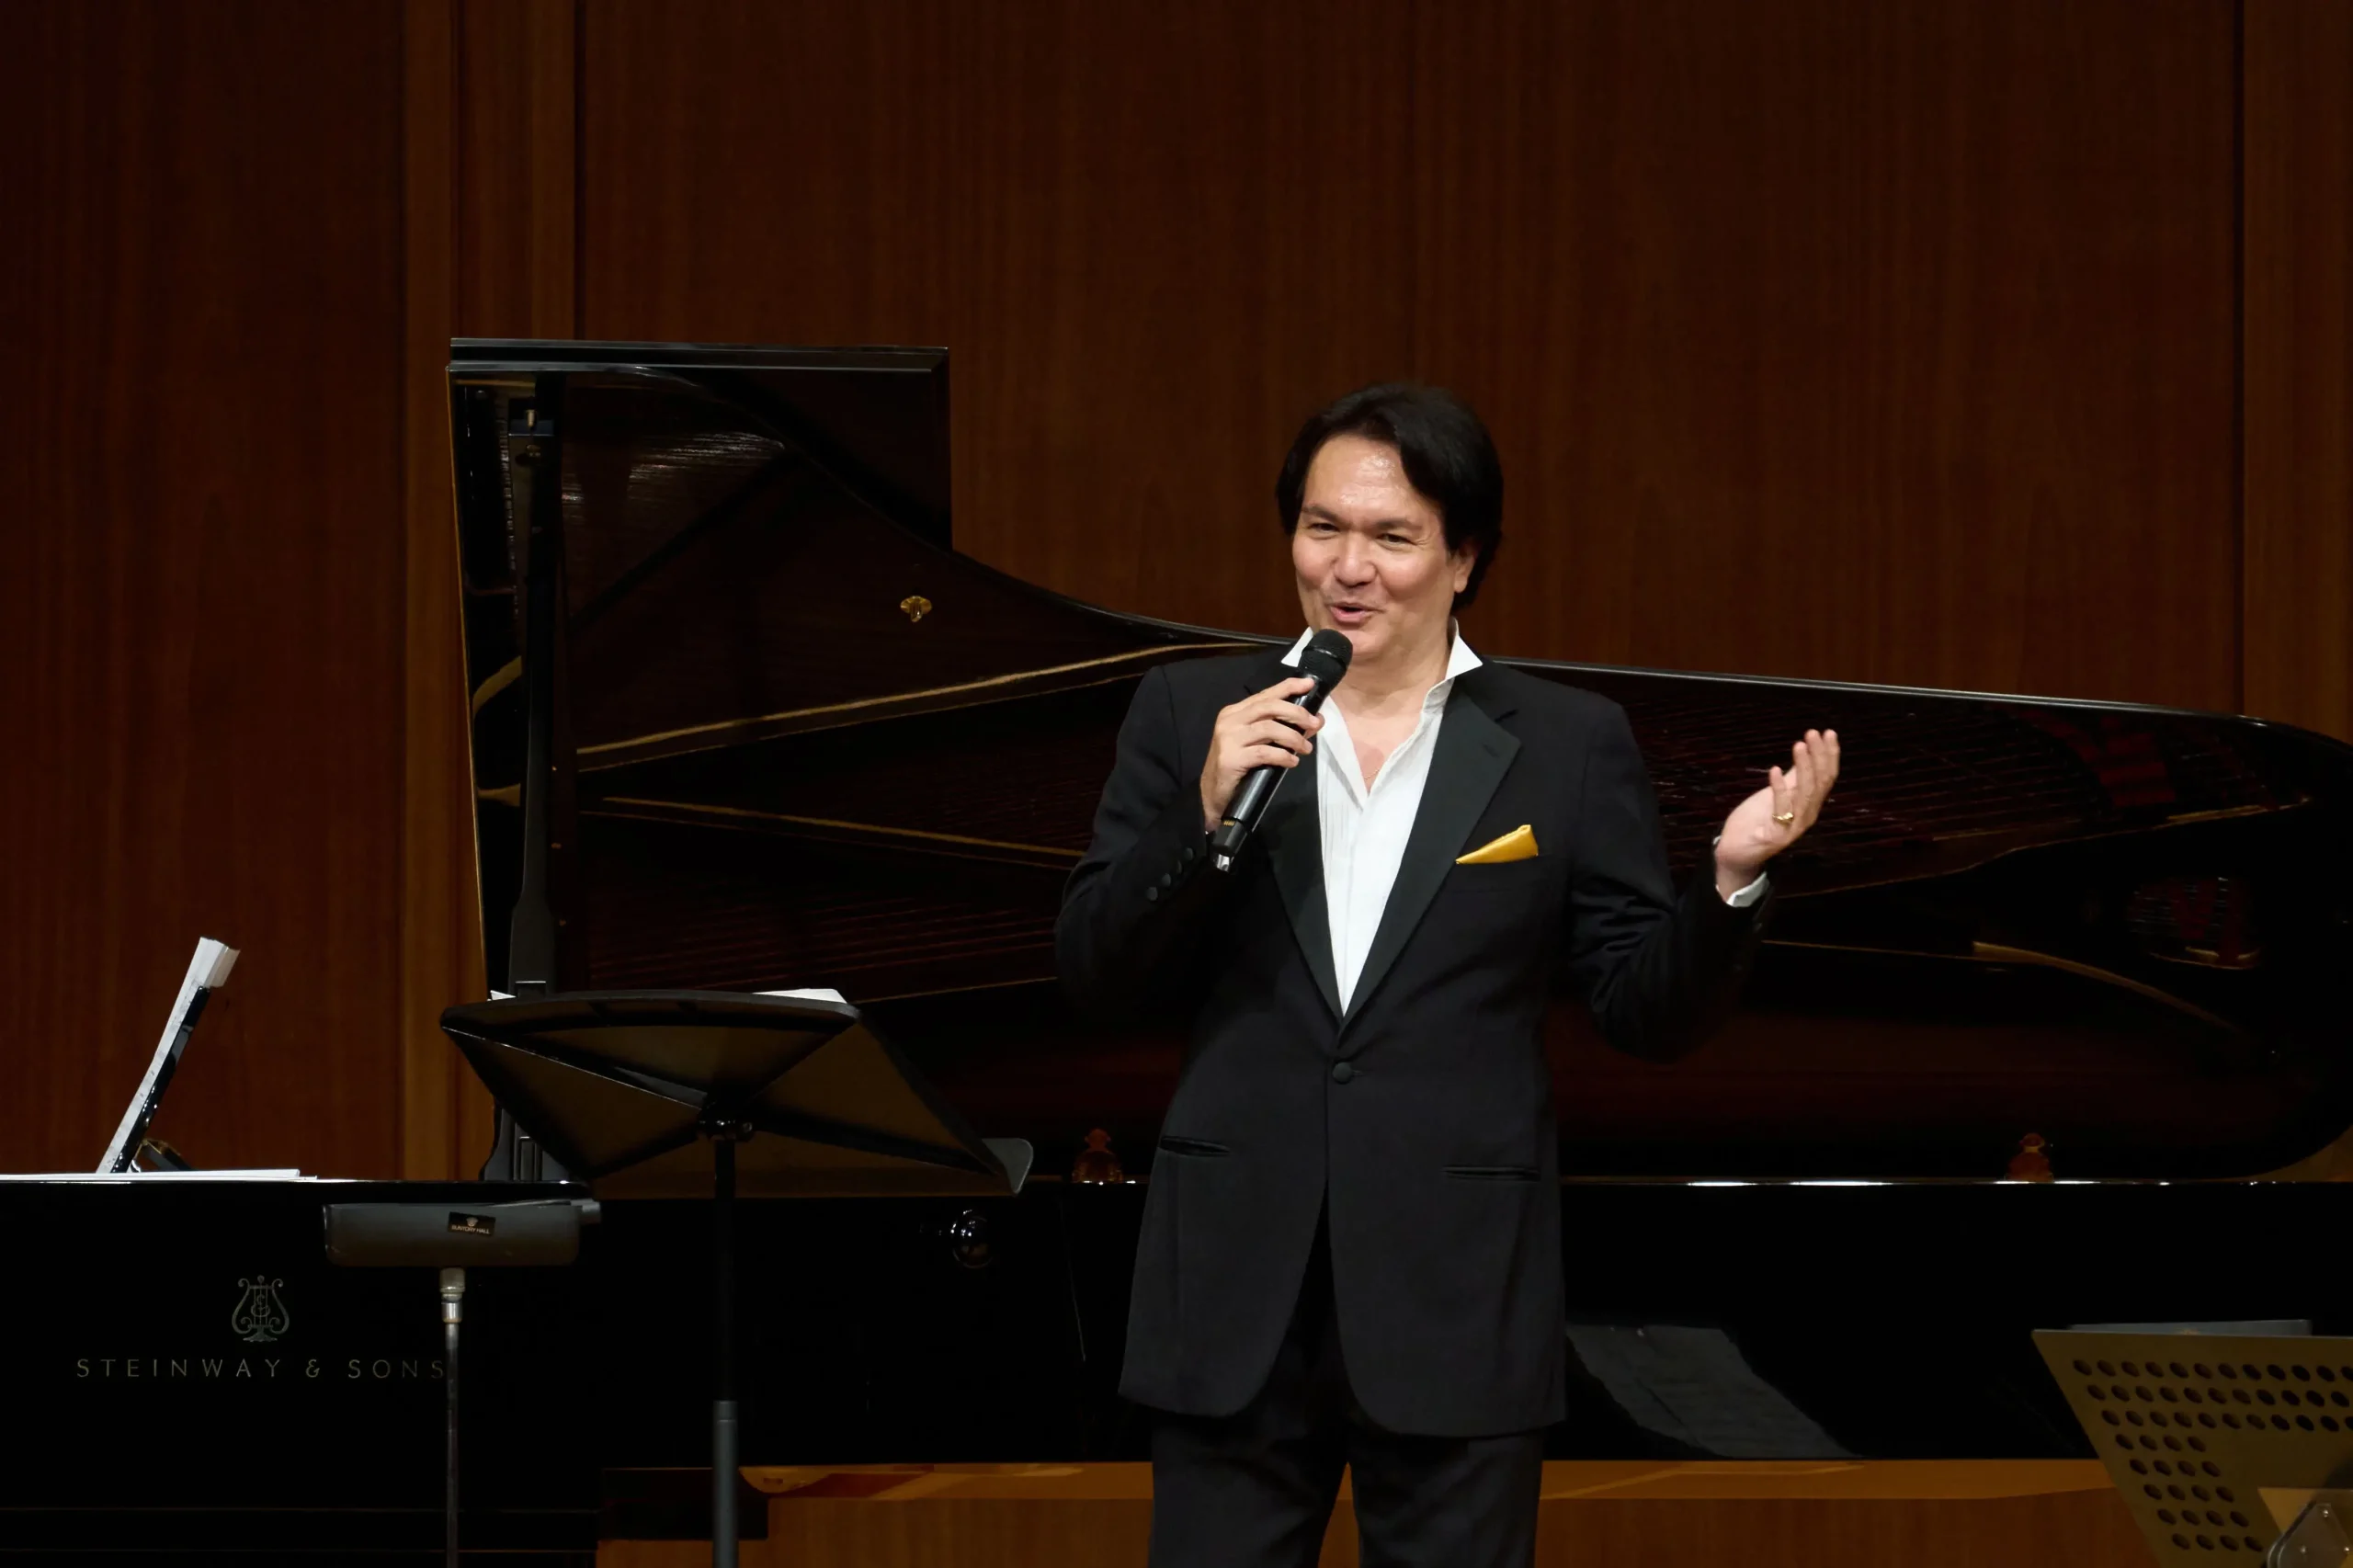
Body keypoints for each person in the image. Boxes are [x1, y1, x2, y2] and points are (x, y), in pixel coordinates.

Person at [1055, 383, 1839, 1568]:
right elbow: (1094, 975)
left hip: (1458, 1292)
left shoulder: (1566, 743)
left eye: (1392, 536)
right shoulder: (1190, 712)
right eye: (1322, 528)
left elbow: (1642, 1012)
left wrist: (1728, 885)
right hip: (1228, 1290)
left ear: (1464, 559)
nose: (1348, 568)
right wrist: (1199, 814)